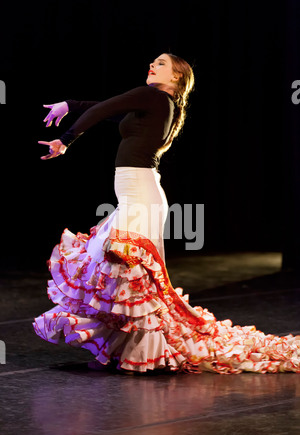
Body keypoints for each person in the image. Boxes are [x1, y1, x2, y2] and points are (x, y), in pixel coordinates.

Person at [33, 53, 300, 374]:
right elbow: (111, 111)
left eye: (161, 64)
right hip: (140, 193)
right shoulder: (159, 105)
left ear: (176, 78)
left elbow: (106, 107)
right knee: (120, 276)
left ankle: (141, 352)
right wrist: (71, 106)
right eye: (152, 62)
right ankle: (131, 351)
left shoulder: (156, 97)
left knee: (124, 272)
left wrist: (66, 139)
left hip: (140, 195)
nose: (151, 65)